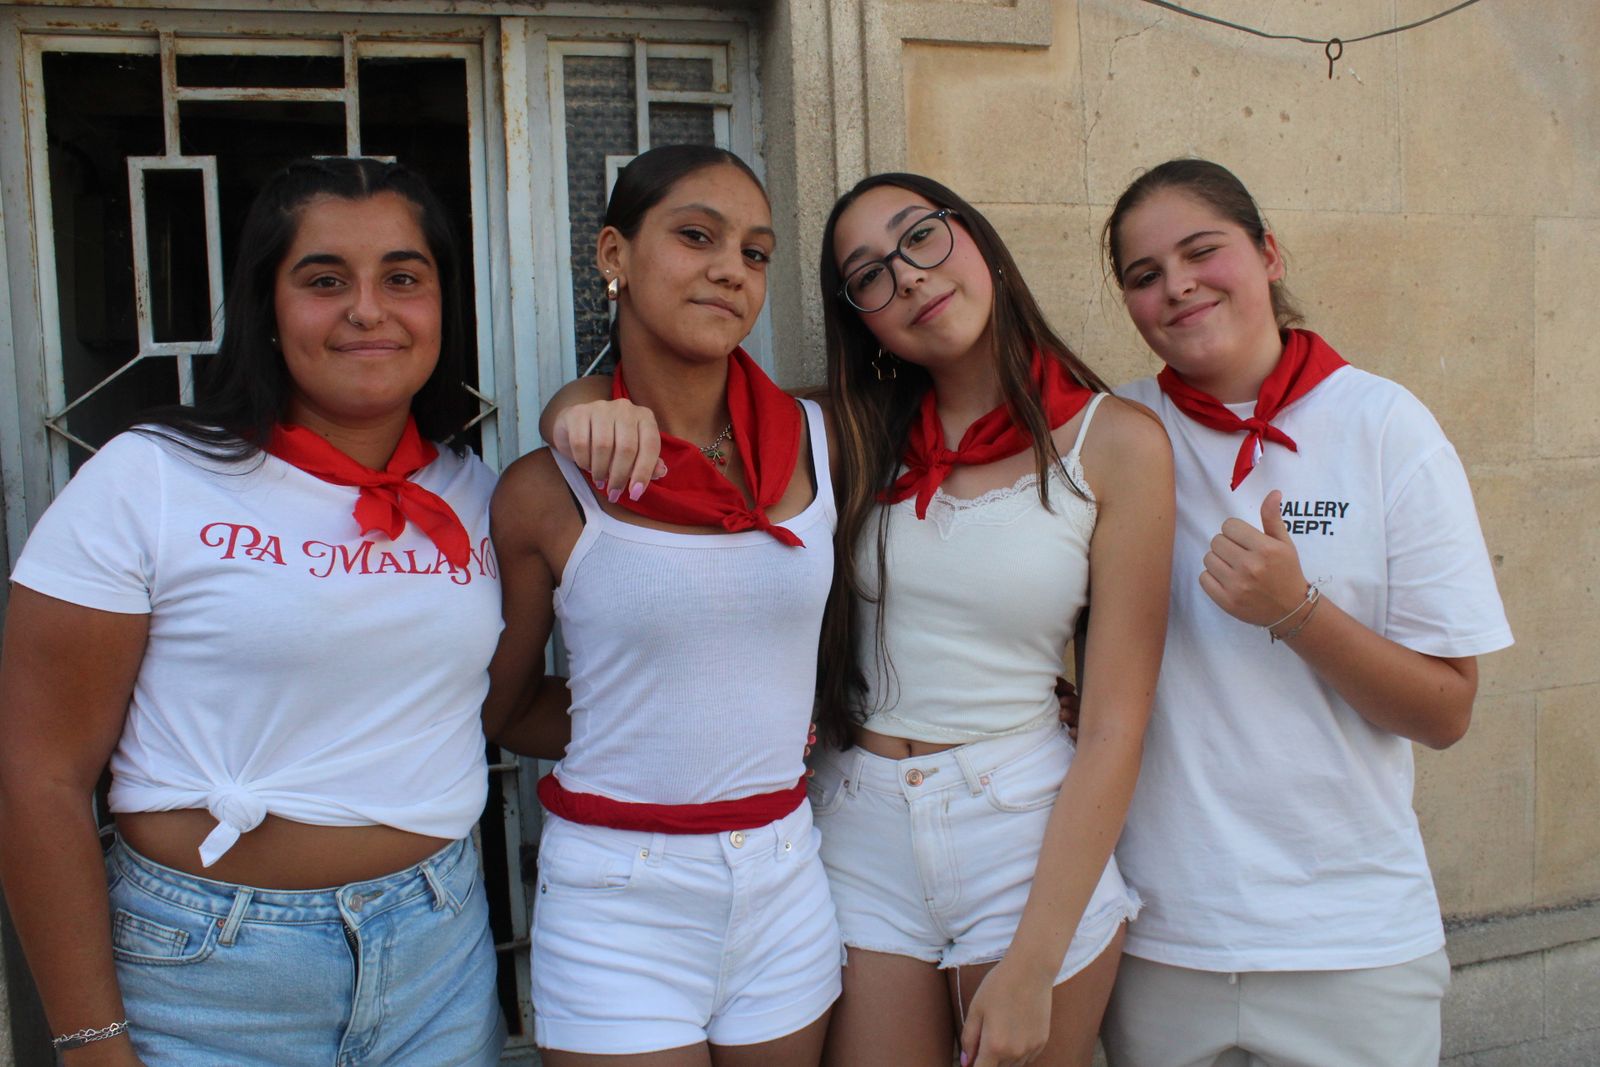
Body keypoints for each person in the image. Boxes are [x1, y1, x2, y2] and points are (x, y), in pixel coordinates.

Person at [545, 171, 1175, 1067]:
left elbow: (1116, 720)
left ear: (979, 239)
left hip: (1023, 824)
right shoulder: (839, 434)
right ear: (861, 316)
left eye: (921, 237)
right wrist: (575, 407)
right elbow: (683, 413)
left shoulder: (1114, 441)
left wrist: (1036, 959)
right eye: (870, 274)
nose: (908, 277)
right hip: (853, 825)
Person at [0, 157, 506, 1066]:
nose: (367, 309)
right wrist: (89, 1042)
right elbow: (36, 775)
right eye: (323, 280)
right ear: (268, 308)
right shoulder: (149, 476)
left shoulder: (474, 491)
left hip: (438, 956)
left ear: (441, 306)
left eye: (403, 277)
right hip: (205, 975)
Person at [1096, 158, 1513, 1067]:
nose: (1178, 286)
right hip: (1163, 938)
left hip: (1352, 945)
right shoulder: (1113, 434)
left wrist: (1297, 612)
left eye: (1202, 251)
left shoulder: (1385, 425)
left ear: (1269, 253)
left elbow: (1445, 711)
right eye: (1143, 275)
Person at [483, 143, 842, 1066]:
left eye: (756, 253)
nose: (731, 267)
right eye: (695, 236)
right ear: (614, 255)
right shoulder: (547, 487)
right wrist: (654, 733)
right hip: (618, 893)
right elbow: (510, 706)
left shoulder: (820, 439)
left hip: (785, 872)